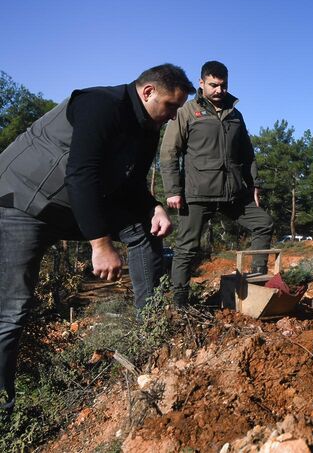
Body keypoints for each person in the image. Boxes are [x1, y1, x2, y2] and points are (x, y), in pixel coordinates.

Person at [0, 64, 195, 412]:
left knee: (144, 230)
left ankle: (148, 334)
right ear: (148, 92)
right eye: (170, 106)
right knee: (12, 309)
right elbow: (81, 173)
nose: (172, 116)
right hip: (22, 202)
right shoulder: (100, 104)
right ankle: (5, 407)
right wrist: (100, 244)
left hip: (72, 205)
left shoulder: (148, 128)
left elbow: (130, 185)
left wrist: (153, 208)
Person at [160, 61, 274, 307]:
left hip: (233, 192)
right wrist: (173, 191)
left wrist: (255, 185)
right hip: (198, 193)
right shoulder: (187, 111)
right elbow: (169, 152)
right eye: (213, 85)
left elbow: (247, 154)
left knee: (264, 224)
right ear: (201, 83)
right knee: (187, 247)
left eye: (223, 85)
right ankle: (179, 301)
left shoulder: (235, 115)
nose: (219, 90)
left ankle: (256, 281)